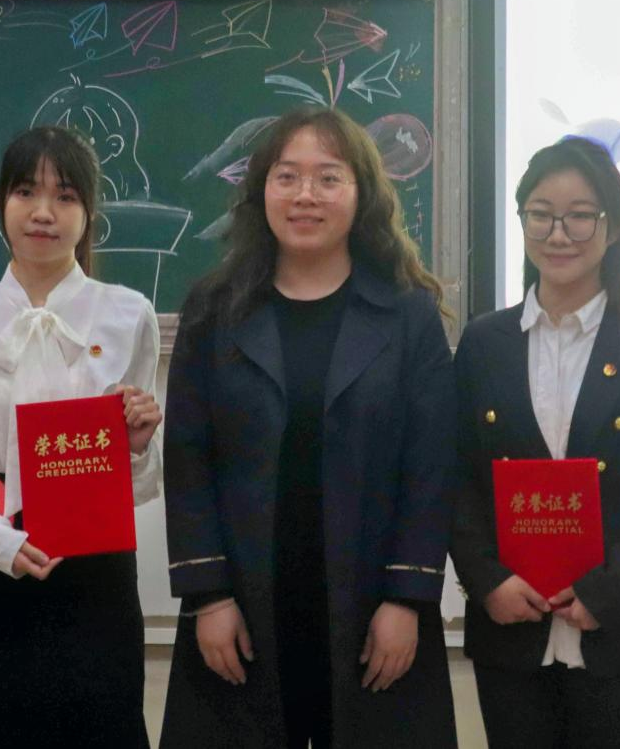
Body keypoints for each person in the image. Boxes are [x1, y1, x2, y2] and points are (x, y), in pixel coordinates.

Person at [160, 106, 458, 748]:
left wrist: (406, 599)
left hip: (372, 605)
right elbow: (187, 459)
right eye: (287, 176)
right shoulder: (214, 309)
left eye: (328, 177)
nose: (305, 195)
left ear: (362, 192)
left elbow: (430, 467)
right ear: (260, 190)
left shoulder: (408, 313)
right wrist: (208, 596)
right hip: (243, 604)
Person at [0, 126, 162, 748]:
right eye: (26, 192)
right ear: (1, 203)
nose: (44, 212)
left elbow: (133, 478)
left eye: (65, 196)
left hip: (94, 574)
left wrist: (137, 442)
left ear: (89, 213)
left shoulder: (128, 315)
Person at [450, 136, 620, 749]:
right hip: (511, 628)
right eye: (541, 214)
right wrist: (486, 581)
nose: (558, 233)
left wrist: (606, 593)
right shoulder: (483, 344)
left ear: (613, 229)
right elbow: (455, 476)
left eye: (580, 215)